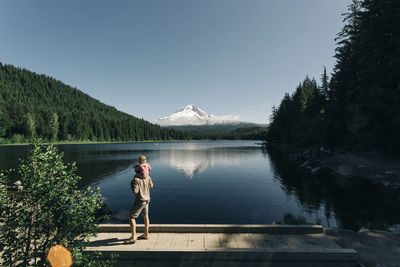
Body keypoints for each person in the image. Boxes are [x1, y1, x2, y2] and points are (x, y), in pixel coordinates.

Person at [124, 155, 154, 244]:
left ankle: (133, 237)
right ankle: (146, 234)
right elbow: (152, 186)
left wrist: (132, 184)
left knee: (131, 217)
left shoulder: (136, 180)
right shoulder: (148, 177)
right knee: (145, 216)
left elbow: (135, 191)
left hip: (140, 200)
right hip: (147, 200)